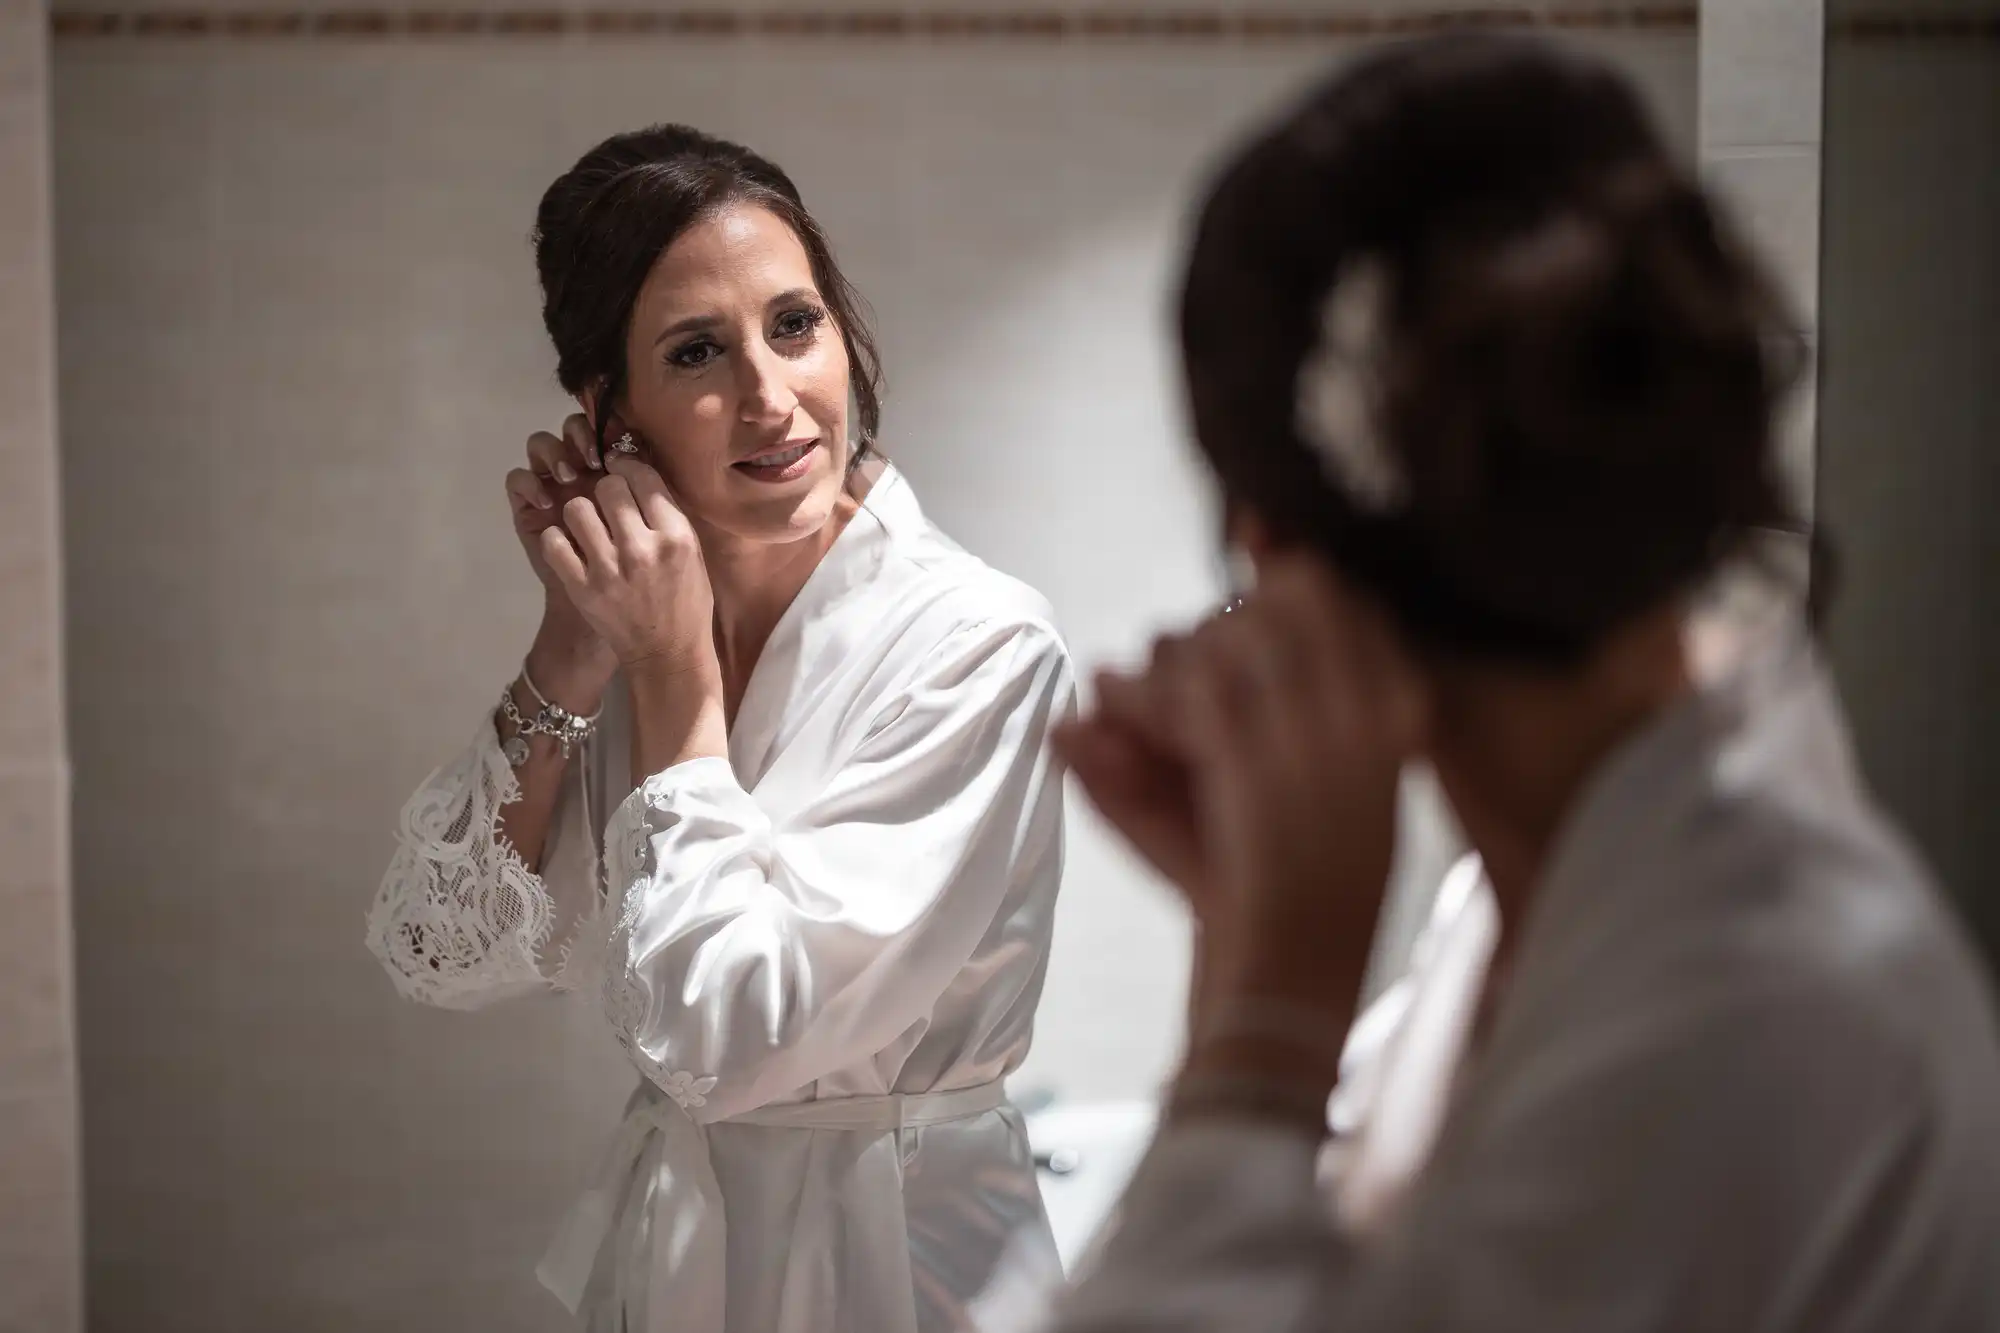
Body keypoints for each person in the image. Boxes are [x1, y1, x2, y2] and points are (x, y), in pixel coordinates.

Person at [1049, 34, 2000, 1332]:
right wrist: (1246, 914)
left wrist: (1268, 1008)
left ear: (1273, 546)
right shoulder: (1542, 900)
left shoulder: (1749, 1012)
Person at [365, 124, 1074, 1333]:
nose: (770, 394)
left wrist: (673, 674)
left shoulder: (979, 642)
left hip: (900, 1265)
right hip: (677, 1258)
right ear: (609, 415)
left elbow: (727, 1035)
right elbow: (437, 952)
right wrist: (575, 644)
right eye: (698, 350)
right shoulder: (641, 628)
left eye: (794, 324)